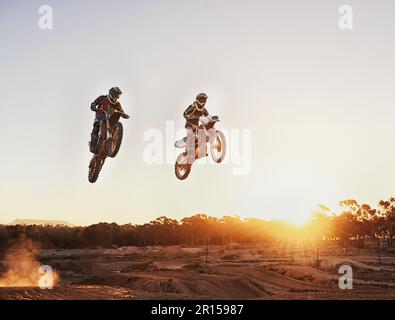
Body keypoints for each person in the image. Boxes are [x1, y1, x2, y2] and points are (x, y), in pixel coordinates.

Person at [89, 87, 129, 153]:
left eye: (118, 96)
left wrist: (124, 114)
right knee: (96, 127)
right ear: (111, 93)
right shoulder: (102, 98)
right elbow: (94, 103)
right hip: (100, 116)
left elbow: (121, 111)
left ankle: (114, 139)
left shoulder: (117, 104)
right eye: (115, 95)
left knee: (116, 121)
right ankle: (92, 145)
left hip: (110, 118)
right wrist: (93, 106)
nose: (116, 97)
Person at [183, 93, 210, 162]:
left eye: (204, 99)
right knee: (191, 136)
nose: (203, 101)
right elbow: (184, 113)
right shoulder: (193, 106)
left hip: (196, 127)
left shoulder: (203, 109)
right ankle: (188, 150)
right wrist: (187, 115)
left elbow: (208, 116)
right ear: (198, 99)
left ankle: (201, 150)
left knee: (203, 136)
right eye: (202, 99)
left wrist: (212, 118)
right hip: (189, 125)